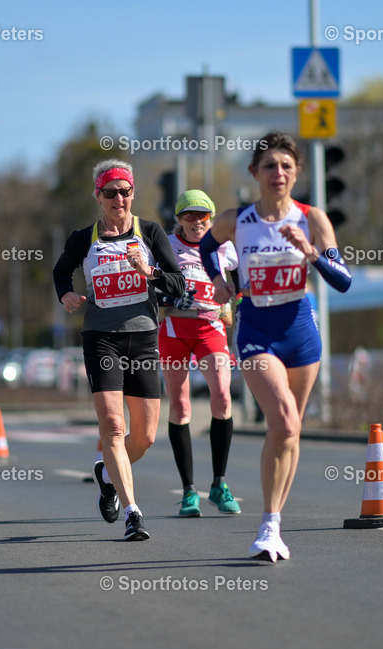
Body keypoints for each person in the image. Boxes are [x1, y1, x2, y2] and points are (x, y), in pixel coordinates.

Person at [199, 131, 352, 562]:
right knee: (283, 421)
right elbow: (207, 247)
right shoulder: (236, 220)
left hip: (301, 330)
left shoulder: (314, 219)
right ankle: (266, 525)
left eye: (286, 166)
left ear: (297, 172)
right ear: (255, 173)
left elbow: (343, 282)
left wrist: (312, 254)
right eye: (270, 166)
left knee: (292, 429)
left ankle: (274, 526)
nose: (278, 173)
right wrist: (220, 282)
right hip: (258, 331)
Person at [53, 158, 186, 541]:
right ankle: (133, 513)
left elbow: (178, 285)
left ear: (133, 193)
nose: (119, 199)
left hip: (143, 337)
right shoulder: (84, 238)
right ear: (99, 196)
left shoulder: (151, 232)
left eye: (125, 191)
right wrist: (65, 294)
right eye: (110, 192)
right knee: (114, 426)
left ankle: (107, 475)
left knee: (144, 437)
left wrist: (150, 272)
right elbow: (61, 270)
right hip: (101, 337)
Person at [158, 189, 241, 517]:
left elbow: (243, 270)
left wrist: (237, 299)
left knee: (222, 397)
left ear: (212, 217)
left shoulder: (225, 248)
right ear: (178, 219)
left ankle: (219, 484)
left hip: (210, 327)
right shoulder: (164, 244)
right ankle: (189, 491)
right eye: (188, 215)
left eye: (202, 215)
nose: (196, 222)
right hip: (175, 330)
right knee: (180, 406)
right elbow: (146, 276)